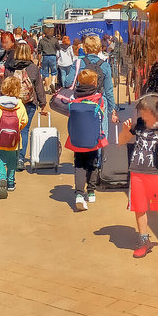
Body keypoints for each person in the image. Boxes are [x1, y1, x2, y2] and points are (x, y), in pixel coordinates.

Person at [119, 93, 158, 258]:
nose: (143, 116)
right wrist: (125, 131)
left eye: (146, 113)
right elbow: (121, 141)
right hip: (136, 171)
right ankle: (143, 239)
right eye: (142, 113)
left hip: (155, 173)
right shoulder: (138, 124)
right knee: (139, 207)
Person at [65, 69, 107, 210]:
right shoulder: (98, 97)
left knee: (79, 164)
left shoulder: (73, 97)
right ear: (94, 82)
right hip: (94, 137)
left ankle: (78, 193)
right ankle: (91, 191)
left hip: (77, 137)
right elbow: (102, 113)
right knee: (93, 163)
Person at [4, 42, 48, 169]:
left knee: (12, 129)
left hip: (12, 103)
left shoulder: (9, 66)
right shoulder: (33, 68)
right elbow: (39, 87)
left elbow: (5, 85)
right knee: (25, 130)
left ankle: (12, 155)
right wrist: (42, 103)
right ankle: (21, 159)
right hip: (29, 102)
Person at [80, 34, 117, 124]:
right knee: (101, 134)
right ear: (99, 47)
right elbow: (108, 90)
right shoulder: (105, 66)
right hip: (100, 102)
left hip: (81, 101)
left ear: (85, 47)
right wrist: (112, 109)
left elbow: (67, 82)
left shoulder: (78, 63)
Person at [37, 27, 60, 92]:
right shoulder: (54, 40)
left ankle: (47, 88)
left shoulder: (41, 41)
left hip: (45, 57)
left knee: (45, 73)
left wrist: (39, 61)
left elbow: (39, 52)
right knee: (54, 71)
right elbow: (58, 48)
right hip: (53, 56)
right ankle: (52, 83)